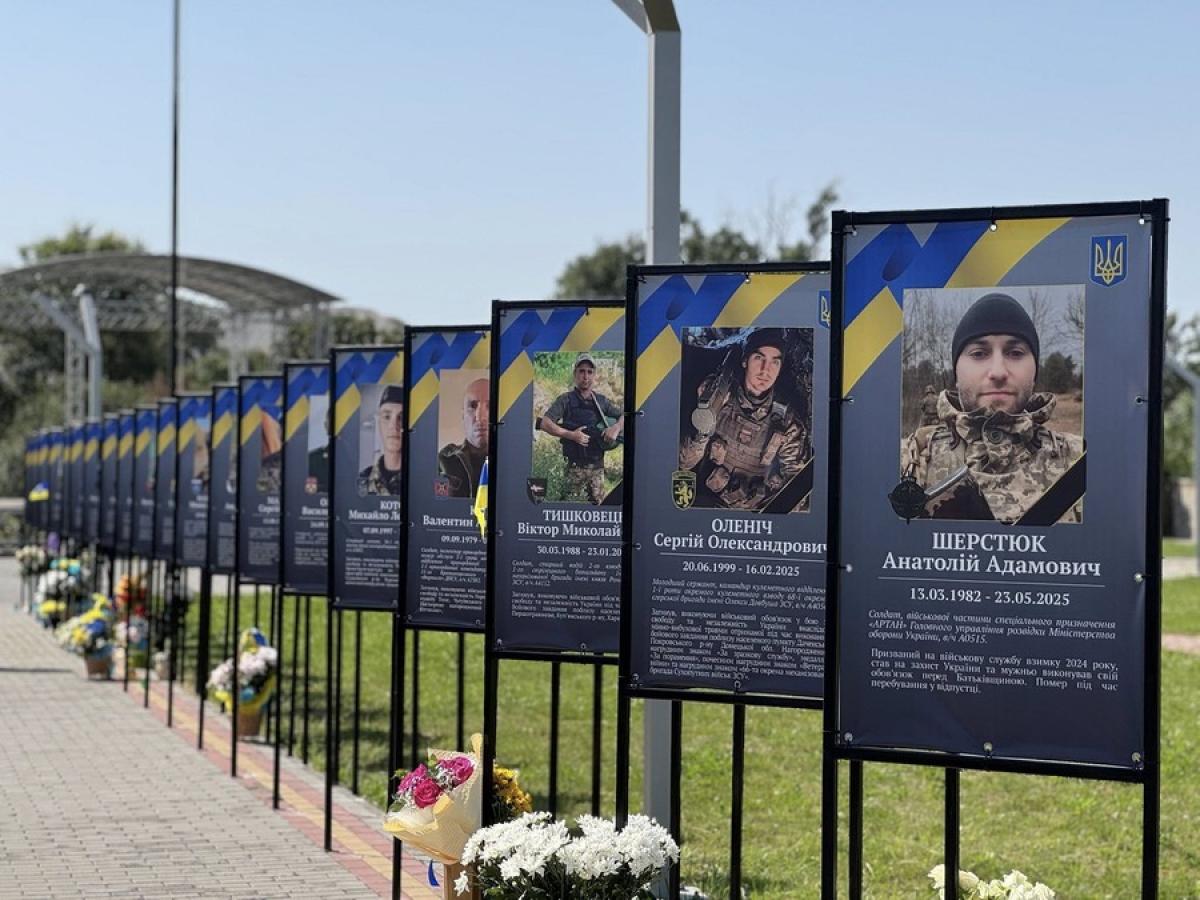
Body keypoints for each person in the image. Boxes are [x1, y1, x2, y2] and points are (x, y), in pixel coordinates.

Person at [899, 292, 1084, 523]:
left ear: (1035, 372)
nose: (998, 372)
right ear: (956, 374)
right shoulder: (909, 461)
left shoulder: (1081, 462)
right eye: (979, 353)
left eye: (1015, 353)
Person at [678, 328, 807, 511]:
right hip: (707, 502)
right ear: (745, 361)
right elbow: (684, 463)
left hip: (755, 517)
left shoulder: (787, 421)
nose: (766, 370)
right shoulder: (718, 396)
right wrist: (702, 432)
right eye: (759, 358)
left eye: (775, 362)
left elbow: (797, 488)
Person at [539, 353, 624, 504]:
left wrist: (616, 428)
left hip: (597, 470)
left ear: (594, 375)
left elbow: (625, 415)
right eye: (582, 371)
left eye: (590, 372)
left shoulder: (602, 402)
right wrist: (571, 435)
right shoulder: (565, 400)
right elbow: (545, 423)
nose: (586, 376)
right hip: (574, 469)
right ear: (575, 374)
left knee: (598, 513)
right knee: (568, 511)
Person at [438, 377, 489, 498]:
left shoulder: (511, 461)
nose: (480, 417)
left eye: (490, 406)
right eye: (473, 406)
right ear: (463, 415)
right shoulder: (444, 460)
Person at [359, 385, 404, 496]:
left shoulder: (420, 479)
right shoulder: (362, 480)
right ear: (379, 423)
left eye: (402, 417)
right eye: (387, 417)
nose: (393, 426)